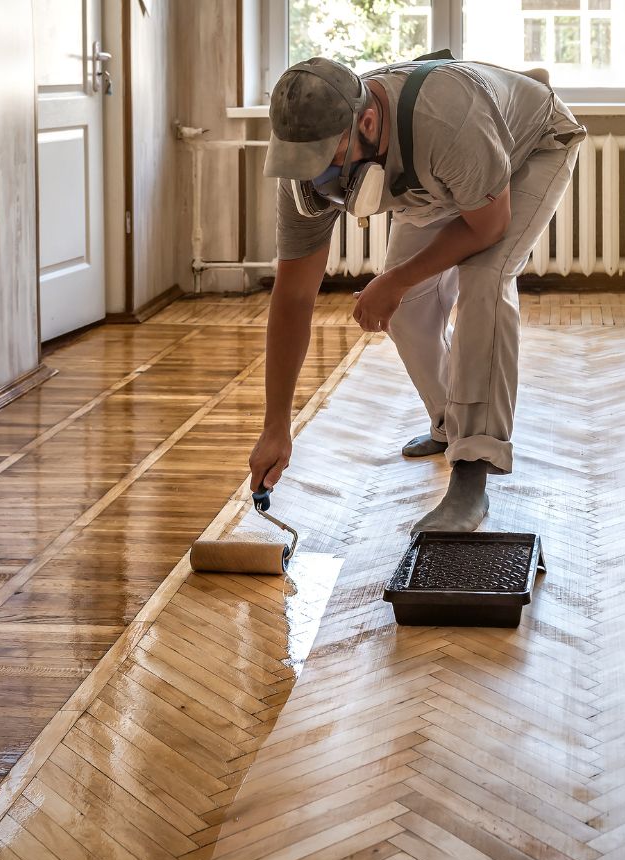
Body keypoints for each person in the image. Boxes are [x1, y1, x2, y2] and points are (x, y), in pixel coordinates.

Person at [249, 54, 585, 533]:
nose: (318, 178)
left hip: (528, 147)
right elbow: (294, 298)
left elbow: (487, 228)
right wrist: (275, 424)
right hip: (439, 173)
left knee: (485, 281)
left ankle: (473, 470)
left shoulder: (447, 119)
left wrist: (395, 279)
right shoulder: (303, 170)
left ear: (367, 121)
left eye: (330, 158)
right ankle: (450, 424)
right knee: (404, 310)